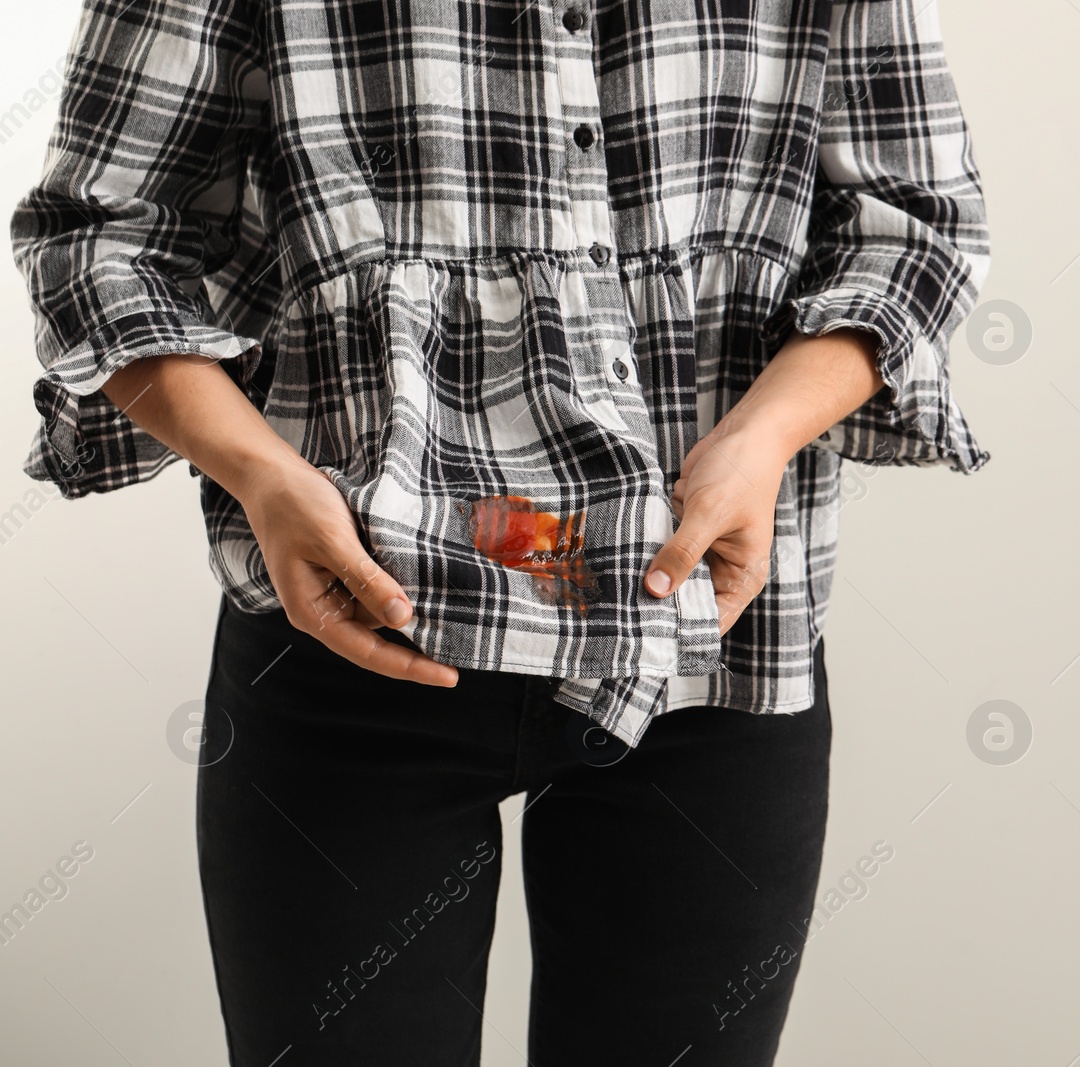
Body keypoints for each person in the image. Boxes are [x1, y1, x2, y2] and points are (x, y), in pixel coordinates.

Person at [12, 0, 990, 1063]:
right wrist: (260, 473)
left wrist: (763, 436)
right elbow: (98, 238)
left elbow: (914, 223)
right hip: (353, 637)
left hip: (713, 650)